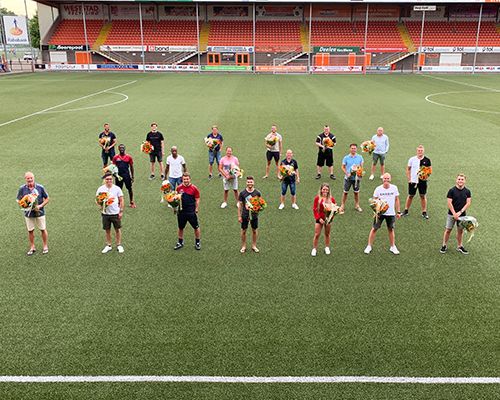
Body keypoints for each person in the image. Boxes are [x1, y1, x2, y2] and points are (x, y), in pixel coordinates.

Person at [364, 173, 401, 255]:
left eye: (388, 178)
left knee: (391, 229)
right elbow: (374, 201)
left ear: (390, 179)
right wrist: (376, 210)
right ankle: (369, 246)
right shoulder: (378, 189)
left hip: (391, 213)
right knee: (374, 228)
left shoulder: (394, 188)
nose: (386, 180)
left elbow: (397, 200)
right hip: (380, 213)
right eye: (385, 178)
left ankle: (392, 246)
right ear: (382, 179)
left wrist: (398, 211)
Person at [17, 172, 50, 255]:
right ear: (25, 179)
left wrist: (40, 206)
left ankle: (45, 246)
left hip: (40, 212)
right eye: (28, 178)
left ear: (33, 178)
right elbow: (18, 199)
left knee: (43, 229)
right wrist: (23, 204)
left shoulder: (40, 187)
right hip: (28, 214)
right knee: (30, 230)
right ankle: (32, 246)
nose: (30, 180)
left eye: (31, 178)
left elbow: (47, 198)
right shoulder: (22, 189)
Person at [440, 174, 472, 255]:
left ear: (465, 181)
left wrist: (460, 212)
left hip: (462, 215)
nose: (460, 181)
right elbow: (449, 203)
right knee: (448, 230)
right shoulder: (451, 190)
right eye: (459, 179)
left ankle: (459, 246)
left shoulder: (467, 191)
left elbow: (468, 203)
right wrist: (454, 213)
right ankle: (444, 245)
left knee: (460, 231)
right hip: (451, 214)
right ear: (456, 180)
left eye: (462, 179)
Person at [97, 173, 125, 254]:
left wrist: (121, 211)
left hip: (115, 213)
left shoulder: (117, 188)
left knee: (117, 229)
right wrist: (100, 206)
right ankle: (108, 245)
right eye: (107, 179)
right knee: (107, 230)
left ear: (112, 179)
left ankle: (119, 245)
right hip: (105, 214)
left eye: (110, 179)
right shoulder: (100, 189)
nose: (109, 180)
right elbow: (98, 200)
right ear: (104, 180)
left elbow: (121, 200)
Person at [402, 145, 432, 219]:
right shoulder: (412, 159)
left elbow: (430, 170)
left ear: (423, 151)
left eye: (421, 150)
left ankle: (424, 212)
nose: (420, 152)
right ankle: (406, 210)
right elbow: (408, 169)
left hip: (422, 181)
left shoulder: (427, 160)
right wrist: (409, 179)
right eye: (419, 150)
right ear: (416, 151)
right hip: (413, 181)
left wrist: (425, 176)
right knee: (410, 195)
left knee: (423, 196)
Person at [174, 173, 201, 251]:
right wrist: (175, 207)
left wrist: (196, 208)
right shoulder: (179, 188)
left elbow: (197, 198)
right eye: (184, 179)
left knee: (196, 227)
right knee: (180, 227)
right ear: (182, 179)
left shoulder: (194, 188)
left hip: (191, 211)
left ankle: (197, 242)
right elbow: (176, 198)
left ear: (190, 179)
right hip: (181, 212)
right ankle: (180, 242)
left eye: (187, 179)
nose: (186, 180)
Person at [238, 176, 261, 253]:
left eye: (251, 182)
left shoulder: (257, 193)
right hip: (245, 215)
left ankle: (254, 245)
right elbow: (240, 205)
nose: (249, 183)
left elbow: (260, 204)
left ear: (253, 183)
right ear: (246, 183)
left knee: (254, 230)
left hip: (254, 215)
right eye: (248, 182)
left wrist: (258, 209)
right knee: (244, 231)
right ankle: (243, 246)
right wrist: (239, 216)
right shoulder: (242, 193)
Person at [311, 183, 336, 256]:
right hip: (320, 219)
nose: (325, 191)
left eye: (327, 190)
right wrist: (318, 218)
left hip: (328, 219)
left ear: (329, 191)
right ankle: (314, 249)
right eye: (324, 189)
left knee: (327, 234)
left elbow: (333, 210)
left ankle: (327, 247)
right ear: (321, 190)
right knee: (317, 234)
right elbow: (315, 209)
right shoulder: (317, 198)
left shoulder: (332, 199)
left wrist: (330, 218)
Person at [340, 143, 364, 213]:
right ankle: (342, 205)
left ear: (356, 149)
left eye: (354, 148)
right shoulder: (346, 157)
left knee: (356, 192)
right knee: (345, 192)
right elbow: (343, 166)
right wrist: (346, 173)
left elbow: (361, 167)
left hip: (357, 178)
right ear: (350, 149)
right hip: (348, 178)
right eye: (352, 148)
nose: (353, 149)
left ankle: (357, 205)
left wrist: (360, 173)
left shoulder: (360, 157)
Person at [112, 144, 135, 208]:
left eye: (123, 148)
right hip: (118, 176)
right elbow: (113, 166)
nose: (122, 149)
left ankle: (131, 202)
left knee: (129, 188)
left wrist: (132, 176)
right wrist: (114, 173)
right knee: (118, 189)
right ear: (118, 149)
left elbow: (131, 167)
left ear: (125, 149)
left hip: (126, 175)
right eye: (120, 148)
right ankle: (118, 202)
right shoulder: (115, 157)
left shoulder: (129, 157)